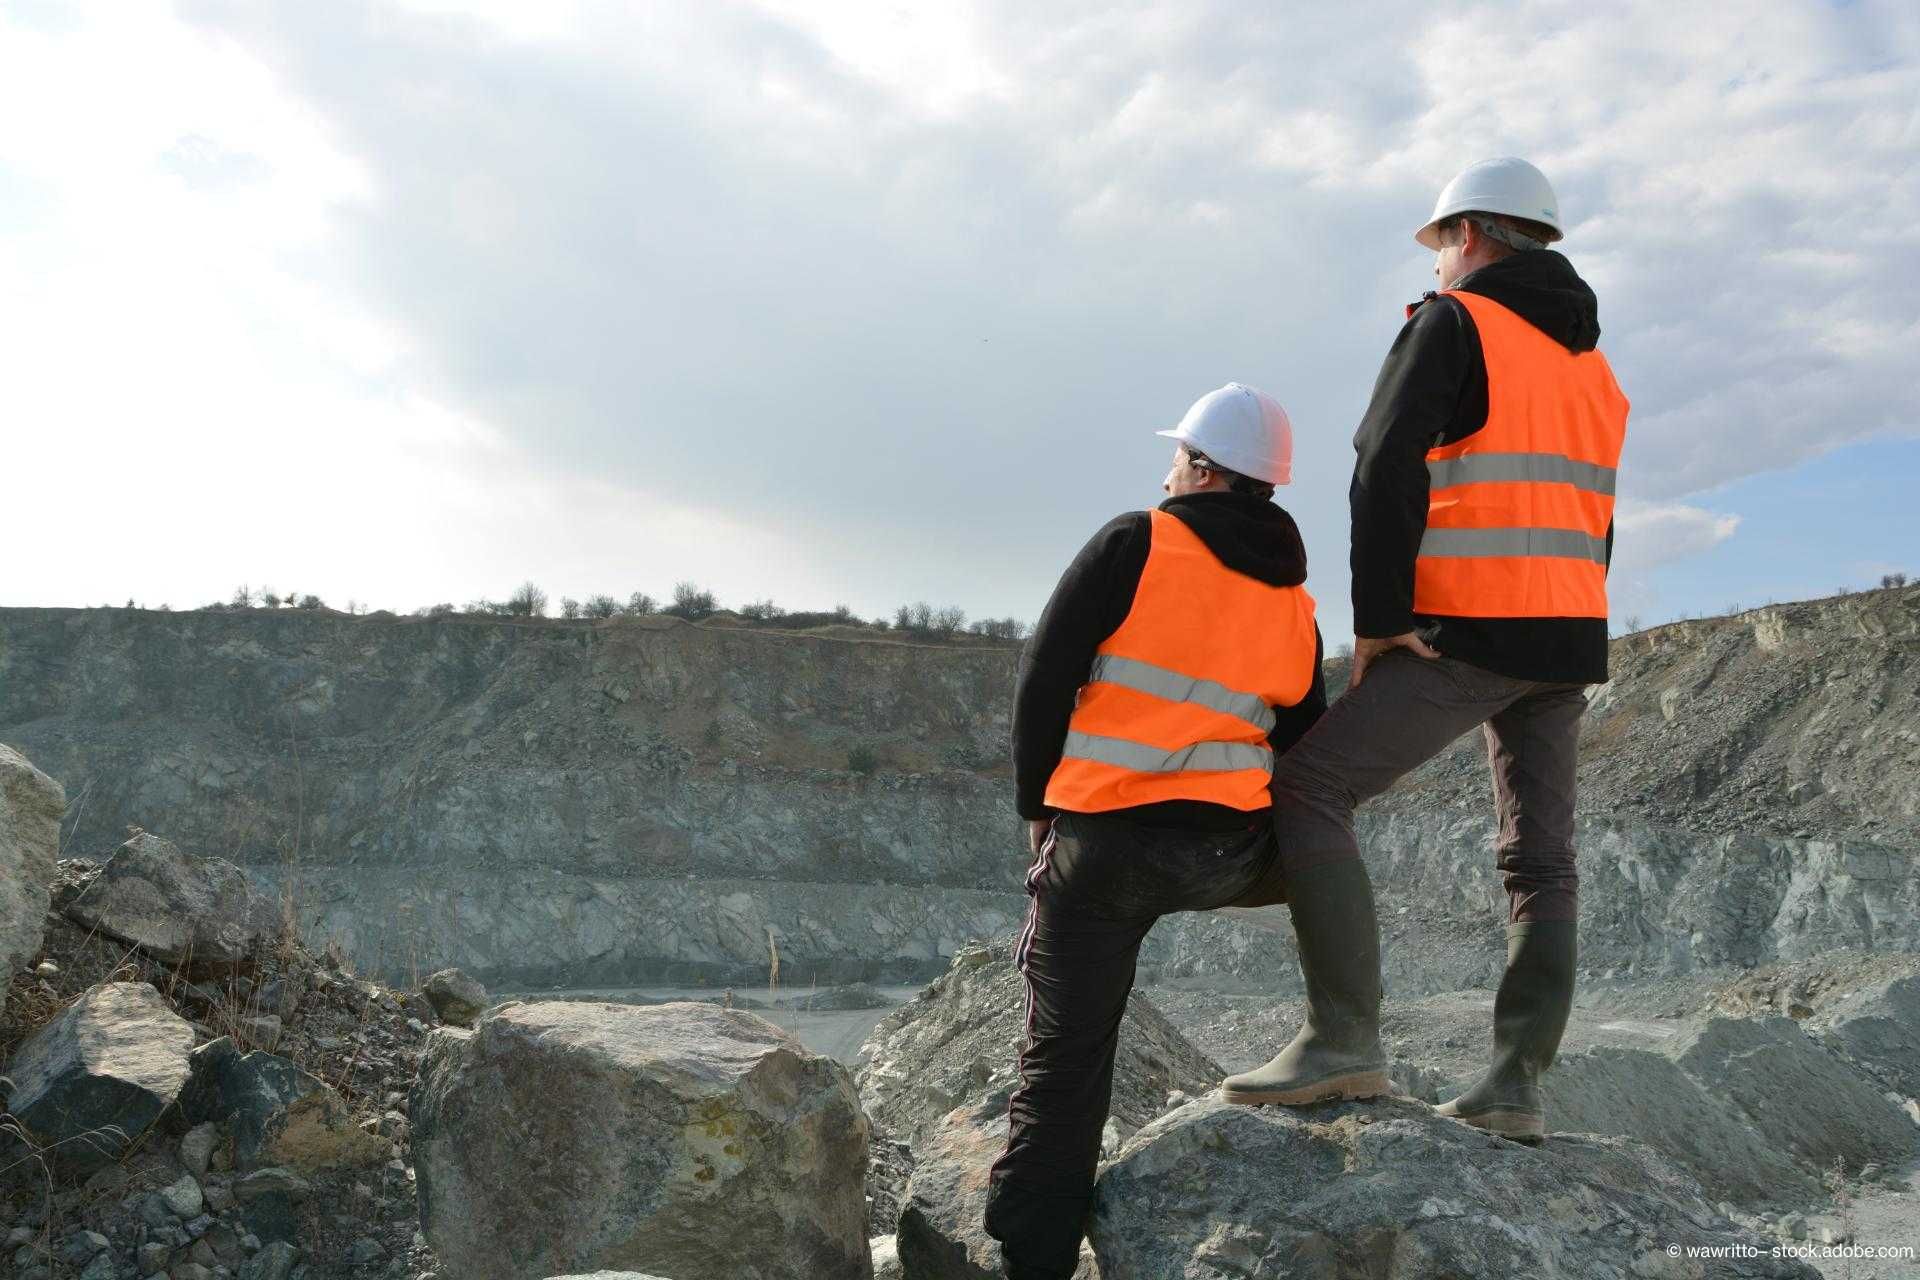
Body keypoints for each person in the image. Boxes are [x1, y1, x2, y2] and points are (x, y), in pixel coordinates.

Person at [1220, 158, 1629, 1143]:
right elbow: (1593, 514)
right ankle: (1514, 1086)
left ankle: (1342, 1041)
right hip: (1567, 635)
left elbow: (1383, 460)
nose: (1438, 261)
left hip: (1470, 629)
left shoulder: (1455, 323)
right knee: (1541, 858)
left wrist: (1379, 615)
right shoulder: (1594, 366)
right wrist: (1569, 616)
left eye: (1441, 242)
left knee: (1310, 786)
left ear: (1471, 233)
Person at [981, 383, 1328, 1279]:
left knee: (1065, 1061)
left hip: (1106, 845)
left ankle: (1034, 1258)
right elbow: (1306, 742)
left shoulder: (1136, 542)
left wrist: (1036, 807)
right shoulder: (1295, 599)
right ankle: (1342, 1035)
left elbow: (1044, 676)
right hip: (1229, 853)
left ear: (1205, 469)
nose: (1168, 469)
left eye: (1178, 455)